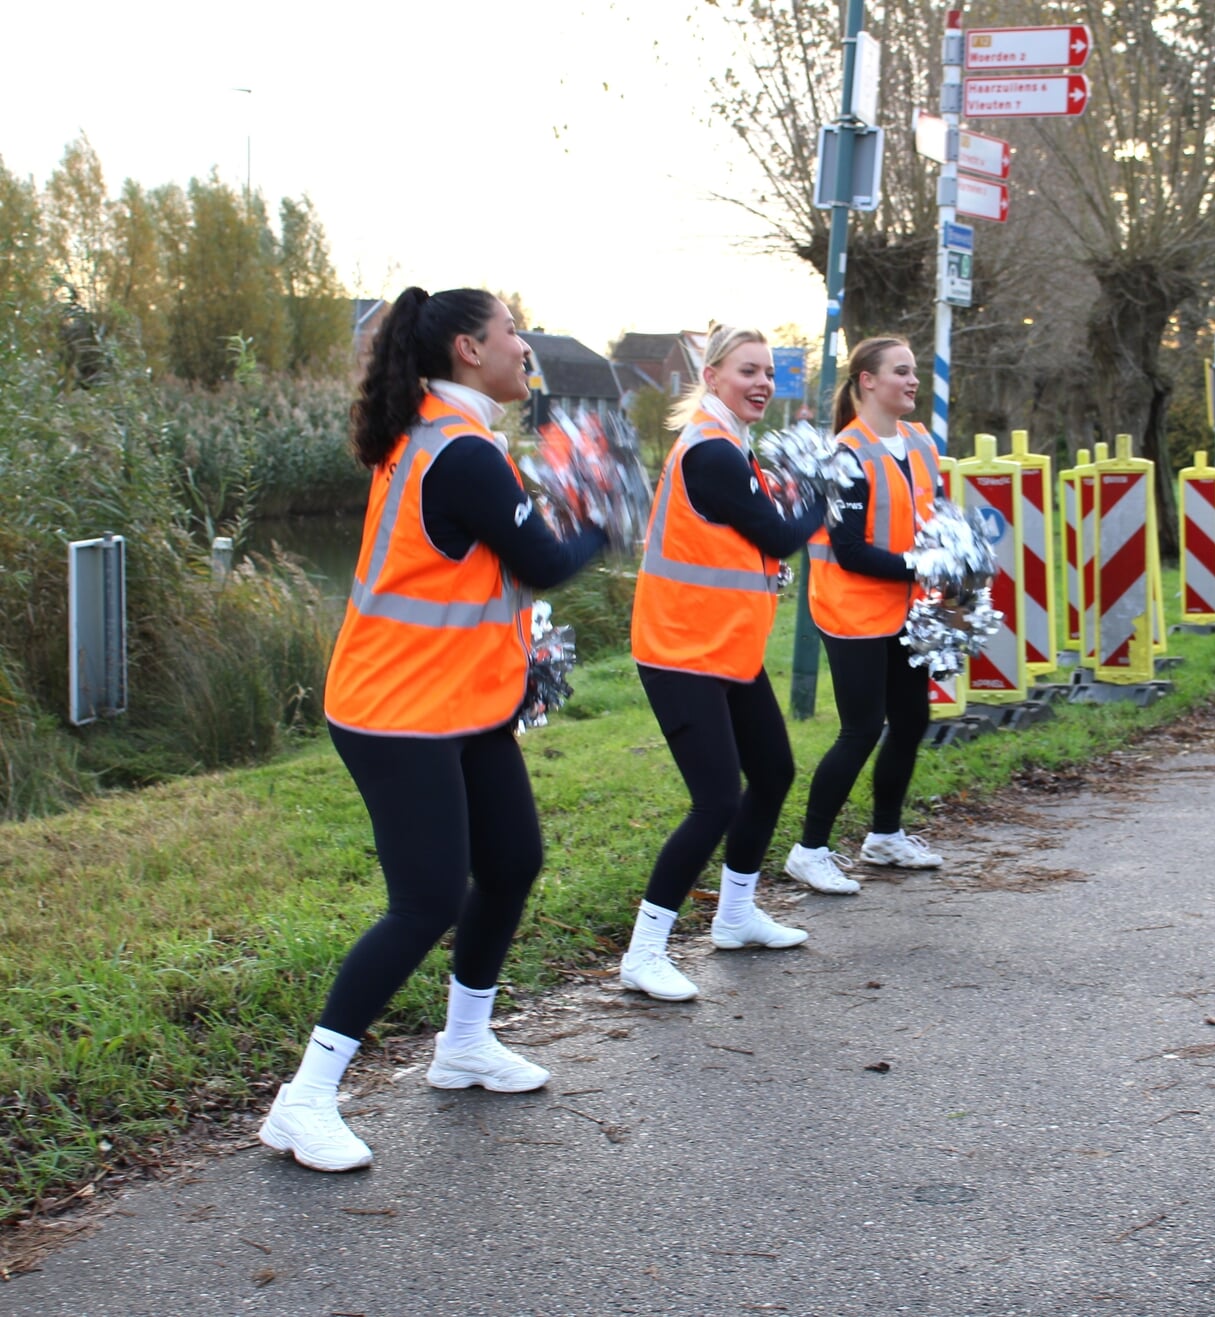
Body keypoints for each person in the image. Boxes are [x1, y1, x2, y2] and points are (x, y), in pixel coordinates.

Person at [260, 288, 608, 1173]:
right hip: (394, 709)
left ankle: (462, 1044)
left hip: (456, 701)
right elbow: (545, 561)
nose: (523, 345)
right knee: (426, 901)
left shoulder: (447, 435)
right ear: (466, 348)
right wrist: (604, 509)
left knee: (512, 860)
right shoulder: (459, 452)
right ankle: (303, 1100)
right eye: (510, 332)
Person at [620, 325, 827, 1001]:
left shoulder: (732, 447)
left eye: (768, 371)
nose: (762, 382)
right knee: (715, 801)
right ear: (711, 377)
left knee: (772, 770)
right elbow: (777, 532)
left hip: (722, 650)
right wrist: (821, 500)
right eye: (748, 371)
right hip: (680, 653)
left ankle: (735, 915)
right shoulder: (712, 453)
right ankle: (644, 951)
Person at [784, 338, 944, 895]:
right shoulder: (845, 453)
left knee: (911, 722)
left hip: (906, 609)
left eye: (915, 371)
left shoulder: (921, 441)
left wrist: (953, 559)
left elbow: (934, 515)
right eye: (902, 371)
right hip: (851, 611)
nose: (913, 380)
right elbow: (849, 549)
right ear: (867, 381)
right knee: (860, 730)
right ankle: (809, 850)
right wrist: (923, 565)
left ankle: (884, 836)